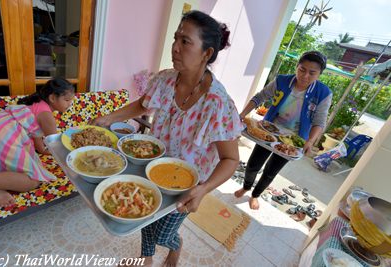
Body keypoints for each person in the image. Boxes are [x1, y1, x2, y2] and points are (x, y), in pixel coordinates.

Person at [92, 10, 243, 267]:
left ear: (206, 53)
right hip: (152, 167)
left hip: (187, 185)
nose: (175, 48)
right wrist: (108, 118)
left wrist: (203, 190)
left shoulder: (219, 103)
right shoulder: (164, 80)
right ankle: (145, 258)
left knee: (164, 232)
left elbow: (230, 159)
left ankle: (176, 246)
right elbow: (143, 104)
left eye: (185, 42)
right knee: (143, 215)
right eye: (176, 39)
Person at [234, 51, 332, 210]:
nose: (305, 75)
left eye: (312, 72)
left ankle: (255, 195)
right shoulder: (282, 81)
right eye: (302, 69)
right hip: (269, 131)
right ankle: (246, 187)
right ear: (297, 67)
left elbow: (319, 121)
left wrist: (310, 141)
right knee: (253, 164)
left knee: (270, 172)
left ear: (319, 74)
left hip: (294, 140)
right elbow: (260, 97)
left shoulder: (323, 93)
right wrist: (241, 115)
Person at [0, 77, 75, 207]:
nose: (70, 104)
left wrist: (46, 153)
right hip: (3, 136)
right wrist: (74, 154)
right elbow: (56, 147)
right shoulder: (47, 116)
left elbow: (41, 148)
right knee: (33, 181)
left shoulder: (36, 104)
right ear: (52, 98)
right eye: (67, 100)